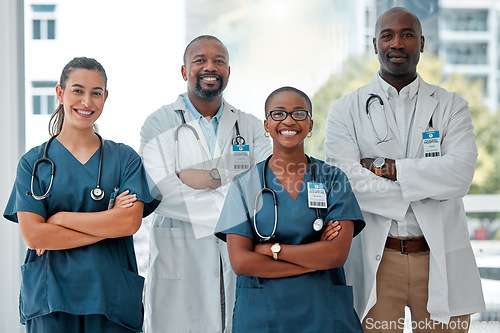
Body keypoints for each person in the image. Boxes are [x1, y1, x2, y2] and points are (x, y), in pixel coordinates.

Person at [324, 7, 485, 333]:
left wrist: (388, 168)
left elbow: (460, 175)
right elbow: (346, 181)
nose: (397, 43)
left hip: (439, 257)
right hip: (379, 260)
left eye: (407, 34)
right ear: (375, 45)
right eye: (388, 35)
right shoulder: (345, 110)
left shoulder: (451, 105)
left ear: (422, 43)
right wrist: (425, 183)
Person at [3, 57, 157, 332]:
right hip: (52, 299)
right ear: (60, 93)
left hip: (110, 297)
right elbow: (35, 236)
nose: (87, 101)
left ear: (105, 97)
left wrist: (59, 218)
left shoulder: (124, 159)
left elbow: (129, 223)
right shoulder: (33, 163)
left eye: (96, 93)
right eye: (77, 90)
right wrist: (108, 222)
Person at [139, 35, 272, 333]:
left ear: (228, 71)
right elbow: (159, 190)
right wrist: (233, 186)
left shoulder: (249, 125)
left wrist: (205, 177)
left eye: (219, 61)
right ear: (185, 71)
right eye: (200, 60)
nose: (210, 67)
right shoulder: (158, 123)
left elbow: (265, 185)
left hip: (238, 260)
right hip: (180, 261)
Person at [215, 86, 365, 332]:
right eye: (278, 114)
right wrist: (315, 259)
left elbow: (336, 255)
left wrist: (272, 249)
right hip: (265, 315)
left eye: (298, 113)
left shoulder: (333, 179)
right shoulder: (244, 185)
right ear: (266, 125)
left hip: (322, 313)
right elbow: (241, 262)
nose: (288, 120)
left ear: (310, 124)